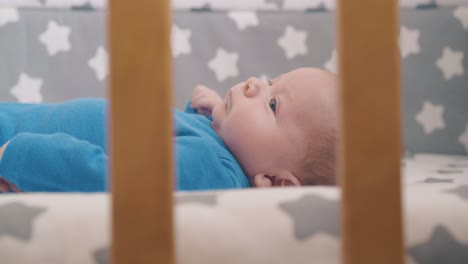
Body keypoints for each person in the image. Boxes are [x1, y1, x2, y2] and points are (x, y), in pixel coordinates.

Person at [0, 68, 337, 193]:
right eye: (270, 81)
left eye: (273, 103)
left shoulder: (217, 171)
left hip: (11, 141)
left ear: (276, 182)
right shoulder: (218, 151)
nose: (253, 84)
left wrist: (21, 155)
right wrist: (211, 116)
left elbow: (114, 176)